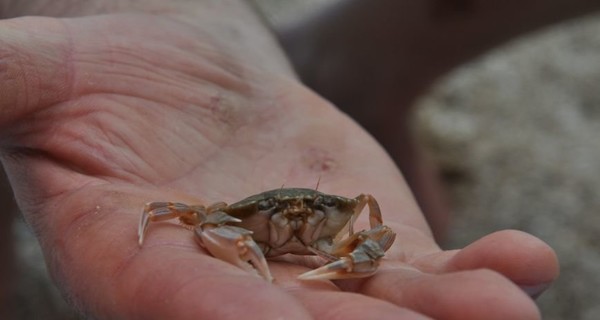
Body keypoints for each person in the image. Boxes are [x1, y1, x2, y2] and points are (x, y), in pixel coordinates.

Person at [0, 0, 575, 318]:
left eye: (313, 210)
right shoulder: (225, 217)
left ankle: (364, 67)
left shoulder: (345, 223)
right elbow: (177, 213)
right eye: (280, 212)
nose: (294, 216)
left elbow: (373, 233)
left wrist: (352, 251)